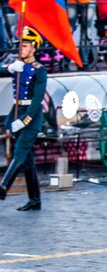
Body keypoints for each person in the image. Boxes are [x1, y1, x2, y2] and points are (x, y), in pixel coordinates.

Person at [0, 27, 47, 211]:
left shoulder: (39, 70)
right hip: (16, 111)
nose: (21, 49)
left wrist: (25, 120)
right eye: (20, 45)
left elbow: (37, 100)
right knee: (27, 160)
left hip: (30, 117)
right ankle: (35, 200)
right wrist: (9, 67)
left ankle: (3, 186)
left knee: (20, 151)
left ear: (34, 48)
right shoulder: (18, 65)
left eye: (25, 45)